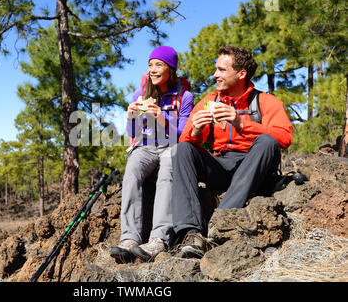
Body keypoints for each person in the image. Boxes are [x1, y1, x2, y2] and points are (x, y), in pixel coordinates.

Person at [172, 45, 293, 258]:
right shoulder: (210, 100)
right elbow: (187, 143)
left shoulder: (265, 101)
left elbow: (284, 138)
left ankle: (221, 222)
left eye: (221, 70)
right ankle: (191, 233)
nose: (214, 75)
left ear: (241, 74)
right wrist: (197, 130)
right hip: (221, 165)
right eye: (215, 69)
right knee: (183, 149)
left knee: (267, 141)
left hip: (253, 168)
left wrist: (240, 122)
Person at [110, 46, 194, 262]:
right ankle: (129, 238)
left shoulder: (184, 96)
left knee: (167, 170)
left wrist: (161, 118)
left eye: (159, 65)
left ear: (171, 69)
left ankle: (159, 239)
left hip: (170, 147)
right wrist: (130, 116)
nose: (153, 70)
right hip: (145, 146)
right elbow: (132, 133)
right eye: (150, 65)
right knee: (132, 169)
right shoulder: (141, 93)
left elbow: (183, 133)